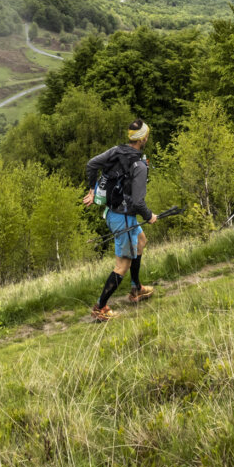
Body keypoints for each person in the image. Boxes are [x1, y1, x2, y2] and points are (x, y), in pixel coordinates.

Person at [82, 120, 155, 321]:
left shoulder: (117, 151)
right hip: (122, 217)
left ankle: (136, 288)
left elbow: (91, 165)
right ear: (143, 139)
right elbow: (139, 202)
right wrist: (150, 216)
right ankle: (100, 307)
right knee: (122, 264)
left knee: (141, 242)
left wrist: (91, 188)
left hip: (117, 212)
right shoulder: (139, 165)